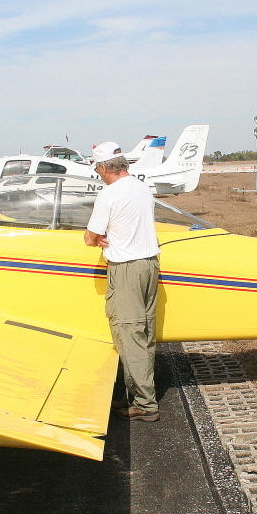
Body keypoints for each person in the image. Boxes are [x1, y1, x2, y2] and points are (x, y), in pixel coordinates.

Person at [84, 142, 161, 422]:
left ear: (104, 167)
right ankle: (137, 394)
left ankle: (145, 403)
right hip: (150, 264)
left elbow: (90, 237)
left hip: (126, 268)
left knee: (129, 335)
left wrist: (98, 238)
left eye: (98, 169)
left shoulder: (109, 195)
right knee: (145, 332)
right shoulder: (142, 187)